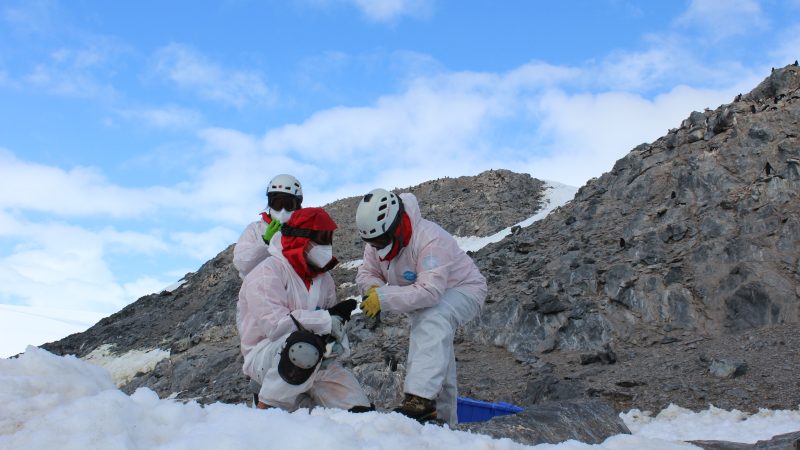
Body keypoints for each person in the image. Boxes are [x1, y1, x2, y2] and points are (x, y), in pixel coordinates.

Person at [355, 188, 487, 426]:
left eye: (382, 240)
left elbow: (430, 291)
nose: (378, 247)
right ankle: (446, 422)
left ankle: (420, 401)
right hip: (430, 297)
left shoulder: (430, 239)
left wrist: (383, 298)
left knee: (433, 317)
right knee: (438, 349)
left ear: (396, 224)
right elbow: (367, 271)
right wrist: (373, 288)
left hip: (464, 289)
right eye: (373, 242)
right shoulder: (377, 240)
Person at [236, 207, 372, 412]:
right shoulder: (267, 272)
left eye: (329, 238)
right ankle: (267, 410)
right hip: (266, 355)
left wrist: (334, 339)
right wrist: (326, 320)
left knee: (360, 413)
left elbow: (327, 324)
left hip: (316, 358)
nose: (326, 245)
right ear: (300, 239)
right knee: (302, 346)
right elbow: (275, 326)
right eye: (320, 238)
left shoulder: (324, 280)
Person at [233, 174, 304, 279]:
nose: (282, 210)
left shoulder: (305, 231)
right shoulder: (254, 230)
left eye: (289, 204)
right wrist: (265, 242)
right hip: (260, 292)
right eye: (277, 203)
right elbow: (241, 264)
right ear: (270, 203)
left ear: (297, 206)